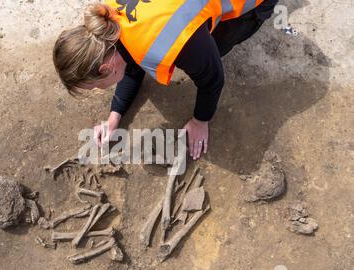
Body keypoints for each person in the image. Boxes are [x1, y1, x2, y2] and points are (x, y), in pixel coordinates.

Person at [53, 0, 279, 160]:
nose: (99, 90)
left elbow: (212, 79)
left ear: (105, 68)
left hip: (256, 3)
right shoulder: (109, 14)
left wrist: (201, 120)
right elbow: (131, 59)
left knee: (213, 50)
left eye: (94, 86)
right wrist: (115, 116)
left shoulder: (170, 45)